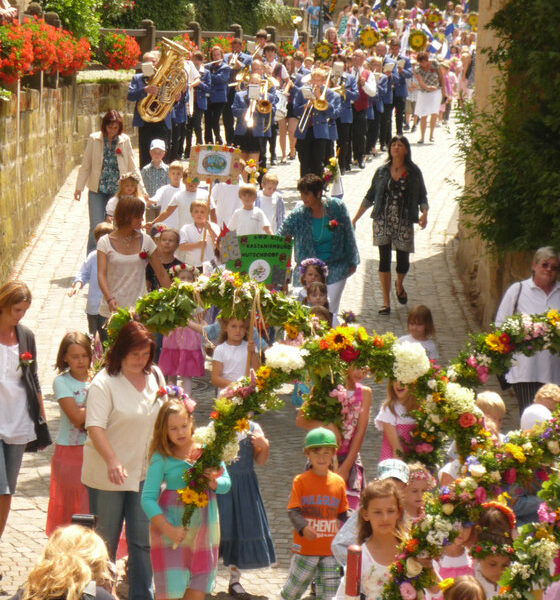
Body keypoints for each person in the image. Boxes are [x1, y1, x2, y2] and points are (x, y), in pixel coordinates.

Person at [82, 320, 166, 600]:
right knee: (104, 543)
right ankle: (101, 594)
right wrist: (112, 460)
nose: (140, 361)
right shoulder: (104, 382)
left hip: (145, 473)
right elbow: (94, 427)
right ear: (121, 352)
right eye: (135, 355)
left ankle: (143, 595)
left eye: (145, 355)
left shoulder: (155, 375)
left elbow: (164, 416)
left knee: (143, 542)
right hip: (109, 475)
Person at [141, 394, 230, 600]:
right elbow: (147, 498)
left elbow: (226, 483)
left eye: (183, 425)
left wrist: (213, 482)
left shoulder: (207, 450)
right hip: (171, 528)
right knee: (172, 592)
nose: (180, 432)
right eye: (173, 429)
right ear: (163, 431)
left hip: (204, 529)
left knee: (197, 588)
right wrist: (168, 529)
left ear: (191, 422)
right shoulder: (161, 457)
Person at [353, 135, 428, 315]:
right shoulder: (381, 171)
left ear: (406, 150)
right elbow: (370, 195)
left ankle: (399, 284)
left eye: (400, 144)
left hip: (404, 220)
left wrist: (424, 213)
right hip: (382, 220)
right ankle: (386, 302)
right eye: (393, 144)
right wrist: (355, 218)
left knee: (403, 261)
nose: (395, 147)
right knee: (383, 259)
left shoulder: (414, 172)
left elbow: (422, 196)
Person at [0, 281, 48, 543]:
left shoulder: (25, 336)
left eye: (24, 311)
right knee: (1, 487)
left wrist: (40, 417)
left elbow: (33, 377)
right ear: (4, 304)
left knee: (7, 493)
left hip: (18, 422)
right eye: (16, 310)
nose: (19, 316)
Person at [280, 428, 348, 600]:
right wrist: (303, 527)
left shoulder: (338, 482)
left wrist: (358, 521)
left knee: (330, 594)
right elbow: (293, 510)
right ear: (307, 454)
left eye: (327, 453)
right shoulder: (301, 481)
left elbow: (343, 513)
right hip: (305, 548)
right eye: (316, 452)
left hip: (330, 550)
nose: (321, 457)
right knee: (293, 590)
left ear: (333, 454)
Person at [279, 173, 359, 317]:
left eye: (306, 194)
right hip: (308, 272)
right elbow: (281, 235)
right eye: (301, 194)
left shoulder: (336, 207)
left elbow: (348, 232)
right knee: (303, 312)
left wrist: (352, 261)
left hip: (335, 267)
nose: (303, 198)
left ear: (318, 193)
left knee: (328, 311)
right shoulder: (298, 214)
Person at [295, 365, 372, 511]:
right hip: (322, 459)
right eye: (356, 366)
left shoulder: (365, 393)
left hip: (350, 459)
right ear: (344, 364)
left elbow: (360, 432)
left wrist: (346, 468)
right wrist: (327, 426)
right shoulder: (324, 388)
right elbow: (300, 420)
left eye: (364, 368)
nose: (360, 372)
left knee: (349, 513)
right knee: (320, 510)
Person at [495, 246, 560, 413]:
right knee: (530, 418)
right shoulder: (518, 290)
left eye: (554, 267)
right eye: (545, 265)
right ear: (534, 266)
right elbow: (500, 325)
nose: (549, 270)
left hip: (555, 372)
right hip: (525, 370)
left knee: (554, 424)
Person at [217, 420, 275, 598]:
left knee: (239, 528)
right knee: (218, 528)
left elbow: (260, 460)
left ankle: (235, 579)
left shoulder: (253, 428)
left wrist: (264, 446)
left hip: (244, 486)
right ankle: (203, 577)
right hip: (221, 485)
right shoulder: (218, 425)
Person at [74, 110, 144, 252]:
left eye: (115, 128)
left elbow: (133, 166)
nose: (112, 130)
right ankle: (92, 258)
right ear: (104, 126)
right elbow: (86, 165)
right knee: (96, 225)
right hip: (97, 189)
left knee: (116, 225)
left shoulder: (124, 140)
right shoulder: (94, 139)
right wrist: (79, 188)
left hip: (118, 191)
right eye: (110, 127)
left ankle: (112, 255)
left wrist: (142, 190)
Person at [46, 332, 92, 536]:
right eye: (74, 356)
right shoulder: (62, 382)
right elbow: (75, 417)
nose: (80, 361)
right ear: (65, 357)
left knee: (91, 504)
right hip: (70, 451)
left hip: (95, 449)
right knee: (70, 506)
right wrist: (100, 404)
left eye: (84, 355)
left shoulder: (99, 378)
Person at [96, 197, 171, 323]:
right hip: (113, 310)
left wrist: (174, 299)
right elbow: (101, 274)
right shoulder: (104, 242)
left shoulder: (146, 241)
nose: (142, 220)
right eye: (138, 216)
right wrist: (109, 299)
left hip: (140, 311)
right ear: (126, 216)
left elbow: (161, 273)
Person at [335, 479, 407, 600]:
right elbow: (343, 597)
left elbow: (435, 588)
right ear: (366, 514)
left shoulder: (410, 548)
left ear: (398, 512)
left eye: (390, 511)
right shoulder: (360, 557)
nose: (385, 518)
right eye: (377, 512)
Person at [158, 265, 205, 395]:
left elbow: (201, 317)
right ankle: (170, 397)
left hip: (189, 339)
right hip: (173, 337)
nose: (186, 280)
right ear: (175, 280)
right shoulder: (171, 296)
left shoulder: (196, 298)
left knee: (187, 372)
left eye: (189, 278)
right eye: (182, 278)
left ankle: (187, 398)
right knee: (171, 370)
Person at [68, 222, 113, 341]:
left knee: (108, 339)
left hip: (109, 307)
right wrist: (77, 285)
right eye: (99, 239)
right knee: (93, 337)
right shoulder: (93, 256)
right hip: (93, 307)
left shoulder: (116, 257)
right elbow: (83, 273)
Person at [128, 51, 173, 169]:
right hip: (145, 121)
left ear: (158, 63)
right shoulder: (137, 78)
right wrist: (144, 90)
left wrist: (176, 98)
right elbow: (130, 96)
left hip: (162, 120)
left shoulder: (166, 79)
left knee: (164, 152)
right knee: (145, 153)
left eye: (153, 61)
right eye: (147, 62)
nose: (151, 64)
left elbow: (173, 99)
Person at [293, 68, 339, 177]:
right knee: (304, 161)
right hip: (304, 131)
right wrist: (305, 106)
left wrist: (319, 99)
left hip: (321, 132)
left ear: (323, 81)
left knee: (318, 161)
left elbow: (334, 114)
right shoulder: (302, 91)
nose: (316, 83)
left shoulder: (331, 94)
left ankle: (318, 188)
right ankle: (305, 187)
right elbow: (295, 110)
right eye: (314, 80)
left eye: (318, 80)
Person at [470, 504, 515, 600]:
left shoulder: (516, 578)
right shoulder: (470, 577)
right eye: (492, 564)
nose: (499, 571)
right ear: (478, 557)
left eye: (505, 565)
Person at [211, 317, 261, 395]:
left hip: (247, 395)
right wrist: (237, 386)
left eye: (241, 327)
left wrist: (253, 353)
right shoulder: (220, 349)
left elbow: (258, 372)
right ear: (225, 327)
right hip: (227, 395)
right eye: (233, 326)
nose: (238, 330)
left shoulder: (250, 347)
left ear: (246, 329)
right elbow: (215, 379)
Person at [375, 380, 418, 460]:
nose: (398, 384)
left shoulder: (420, 409)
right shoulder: (389, 410)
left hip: (415, 463)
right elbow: (397, 449)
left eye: (403, 380)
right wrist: (399, 471)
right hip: (394, 463)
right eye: (395, 380)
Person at [178, 200, 220, 269]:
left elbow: (219, 244)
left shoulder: (214, 226)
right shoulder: (186, 228)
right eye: (196, 211)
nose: (199, 214)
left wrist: (210, 229)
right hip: (192, 265)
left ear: (207, 214)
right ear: (192, 213)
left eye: (202, 212)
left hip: (210, 264)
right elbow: (181, 247)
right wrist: (197, 245)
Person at [414, 51, 445, 144]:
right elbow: (420, 82)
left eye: (424, 61)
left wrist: (443, 89)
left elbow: (441, 76)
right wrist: (428, 87)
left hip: (436, 91)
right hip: (424, 92)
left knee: (434, 113)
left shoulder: (435, 63)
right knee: (423, 114)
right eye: (421, 62)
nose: (423, 64)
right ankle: (422, 137)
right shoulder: (417, 68)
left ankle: (431, 135)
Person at [147, 161, 185, 230]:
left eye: (178, 174)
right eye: (173, 173)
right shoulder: (164, 189)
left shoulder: (185, 189)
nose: (176, 176)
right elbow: (156, 199)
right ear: (169, 175)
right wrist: (149, 200)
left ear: (182, 175)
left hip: (180, 224)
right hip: (165, 224)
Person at [205, 46, 231, 144]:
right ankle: (208, 142)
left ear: (221, 55)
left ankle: (218, 140)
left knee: (215, 121)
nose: (216, 57)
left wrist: (207, 74)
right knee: (207, 122)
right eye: (214, 55)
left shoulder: (225, 67)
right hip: (208, 97)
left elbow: (221, 79)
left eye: (218, 55)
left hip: (219, 98)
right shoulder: (209, 67)